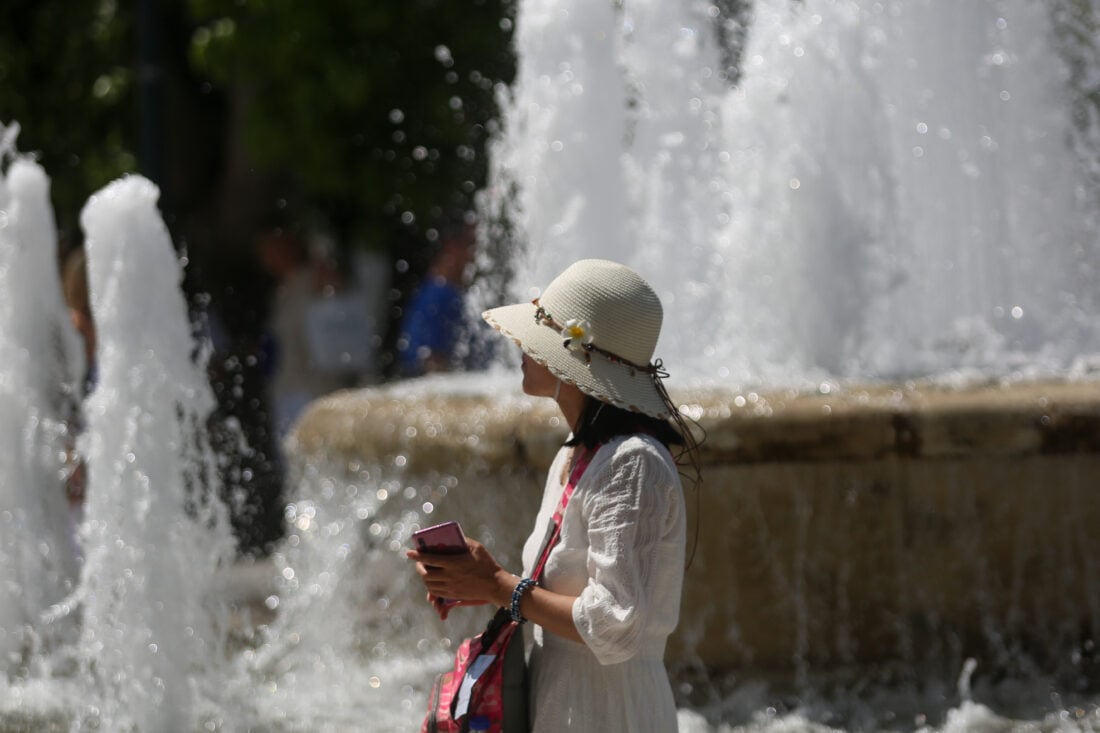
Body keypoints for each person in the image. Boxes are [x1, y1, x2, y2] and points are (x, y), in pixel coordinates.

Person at [407, 259, 701, 732]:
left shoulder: (632, 463)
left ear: (577, 359)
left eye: (538, 335)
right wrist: (475, 581)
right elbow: (556, 596)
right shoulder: (578, 453)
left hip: (610, 713)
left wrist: (497, 585)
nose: (520, 346)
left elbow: (615, 624)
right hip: (564, 701)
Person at [396, 220, 477, 376]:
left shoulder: (442, 293)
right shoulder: (438, 297)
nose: (476, 254)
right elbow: (432, 363)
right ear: (452, 247)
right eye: (472, 244)